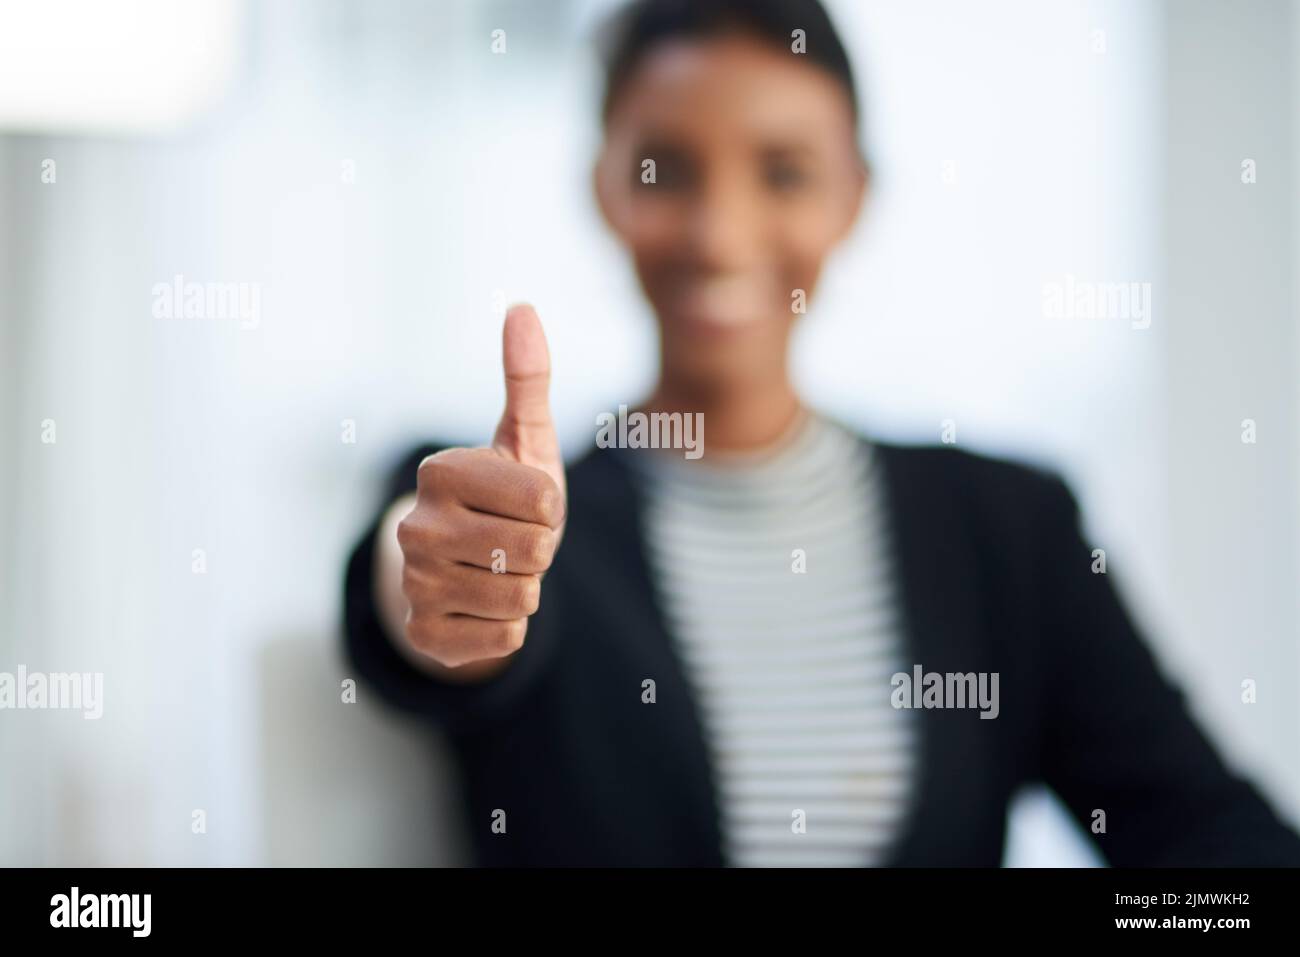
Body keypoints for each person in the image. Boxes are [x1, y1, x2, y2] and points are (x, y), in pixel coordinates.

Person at [342, 0, 1300, 866]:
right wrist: (437, 582)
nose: (720, 232)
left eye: (785, 171)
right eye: (664, 169)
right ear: (604, 189)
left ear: (855, 194)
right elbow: (417, 594)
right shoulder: (520, 518)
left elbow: (1203, 836)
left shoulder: (1008, 532)